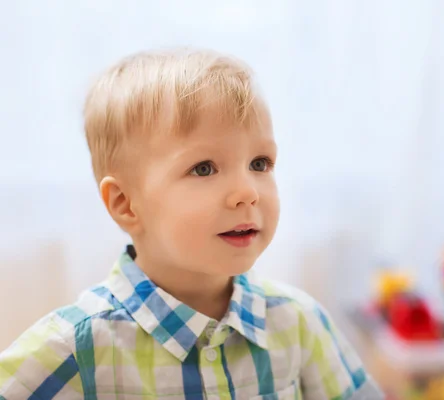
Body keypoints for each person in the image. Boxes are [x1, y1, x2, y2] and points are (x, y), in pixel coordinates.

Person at [0, 48, 383, 399]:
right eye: (204, 168)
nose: (247, 192)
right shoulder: (77, 347)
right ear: (125, 204)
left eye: (260, 163)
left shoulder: (298, 323)